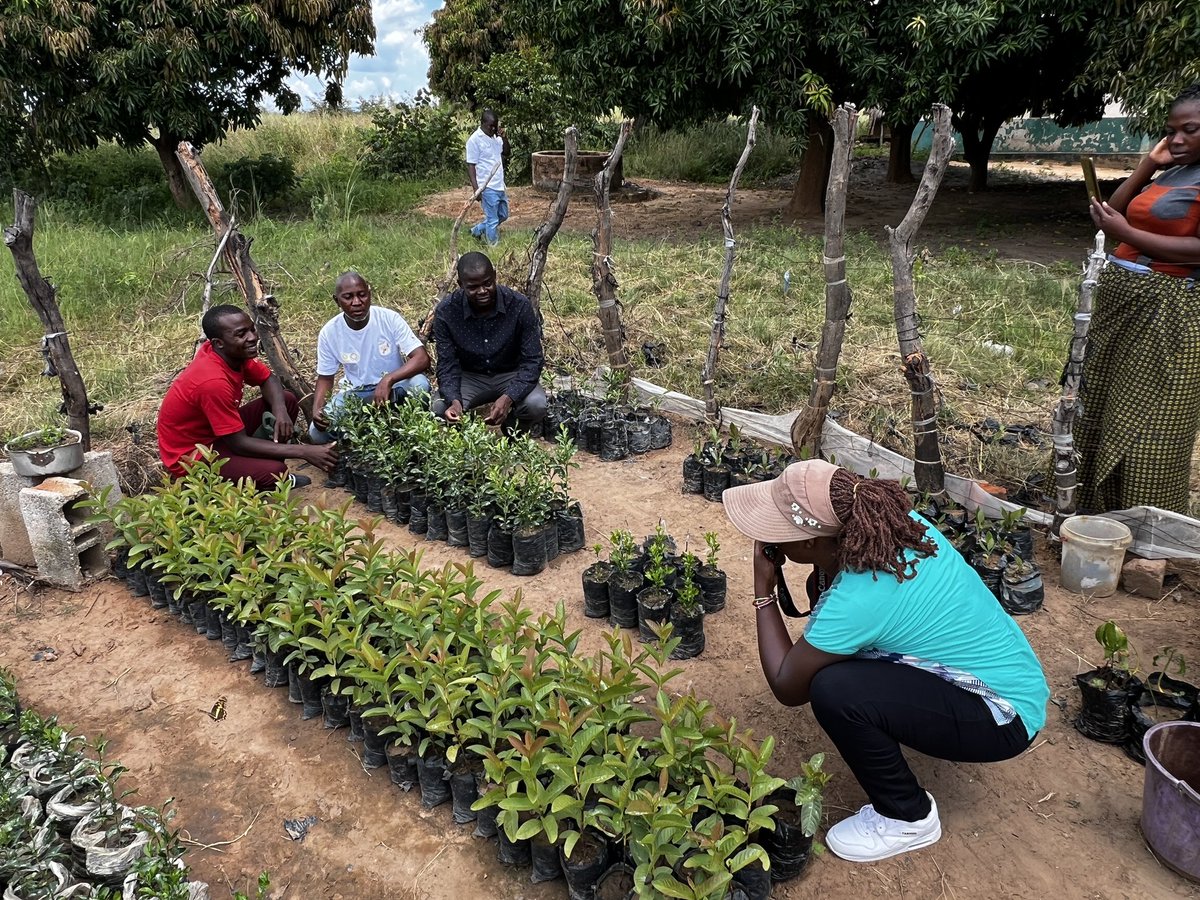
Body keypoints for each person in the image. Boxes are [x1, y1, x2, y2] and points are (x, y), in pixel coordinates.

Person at [723, 459, 1048, 863]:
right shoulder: (890, 522)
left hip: (1001, 716)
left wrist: (763, 591)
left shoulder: (861, 597)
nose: (765, 538)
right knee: (819, 590)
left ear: (810, 542)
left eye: (775, 531)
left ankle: (907, 816)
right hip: (1012, 678)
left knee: (835, 691)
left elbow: (787, 686)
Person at [1077, 84, 1200, 514]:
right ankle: (1092, 512)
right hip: (1124, 304)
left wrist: (1127, 235)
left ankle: (1146, 528)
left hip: (1171, 310)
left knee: (1152, 422)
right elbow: (1114, 209)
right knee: (1102, 404)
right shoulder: (1172, 172)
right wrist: (1149, 163)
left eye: (1191, 130)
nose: (1178, 140)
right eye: (1171, 132)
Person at [158, 305, 337, 489]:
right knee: (275, 472)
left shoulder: (230, 354)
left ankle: (259, 469)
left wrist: (281, 412)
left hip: (216, 436)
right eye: (241, 334)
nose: (252, 337)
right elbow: (239, 443)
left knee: (287, 400)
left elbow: (269, 379)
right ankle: (267, 477)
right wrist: (304, 451)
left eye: (252, 329)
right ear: (219, 342)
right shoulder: (212, 381)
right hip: (193, 455)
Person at [309, 271, 431, 442]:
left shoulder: (389, 318)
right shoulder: (329, 332)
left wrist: (388, 379)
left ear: (369, 294)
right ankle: (367, 436)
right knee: (316, 432)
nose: (357, 302)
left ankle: (404, 429)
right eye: (348, 297)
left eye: (362, 295)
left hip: (396, 386)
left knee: (420, 385)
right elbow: (325, 378)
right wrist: (317, 409)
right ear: (336, 300)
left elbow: (421, 358)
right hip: (355, 393)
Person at [432, 251, 546, 430]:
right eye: (473, 287)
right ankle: (464, 442)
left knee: (536, 404)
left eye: (487, 283)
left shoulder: (518, 305)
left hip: (510, 373)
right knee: (439, 407)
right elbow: (447, 364)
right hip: (469, 376)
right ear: (460, 285)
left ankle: (512, 430)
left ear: (494, 276)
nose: (482, 291)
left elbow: (533, 361)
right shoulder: (447, 312)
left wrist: (508, 398)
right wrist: (454, 401)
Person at [466, 109, 509, 246]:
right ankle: (493, 246)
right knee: (492, 220)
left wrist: (504, 137)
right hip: (487, 186)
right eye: (490, 125)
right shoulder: (474, 140)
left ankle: (476, 231)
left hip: (499, 184)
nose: (493, 128)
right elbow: (471, 166)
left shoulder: (496, 138)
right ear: (482, 123)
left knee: (503, 215)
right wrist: (476, 189)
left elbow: (507, 152)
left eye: (495, 126)